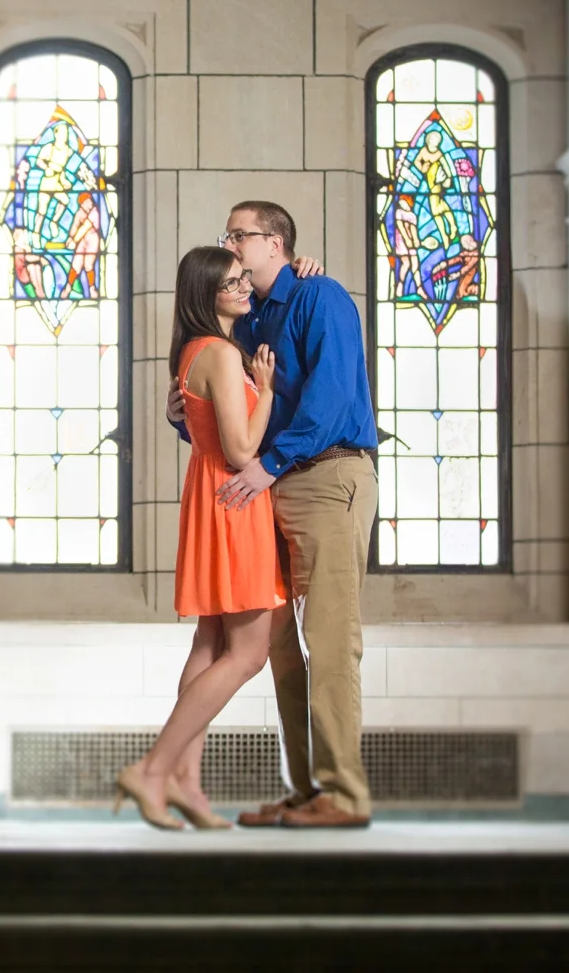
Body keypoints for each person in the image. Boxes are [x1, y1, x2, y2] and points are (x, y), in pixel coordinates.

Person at [168, 202, 380, 828]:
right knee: (279, 648)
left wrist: (270, 463)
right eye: (227, 235)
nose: (231, 244)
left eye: (241, 234)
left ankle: (344, 795)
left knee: (330, 639)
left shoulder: (320, 297)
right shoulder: (247, 317)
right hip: (268, 487)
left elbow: (330, 395)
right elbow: (234, 418)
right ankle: (307, 790)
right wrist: (185, 417)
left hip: (325, 477)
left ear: (276, 243)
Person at [113, 245, 283, 830]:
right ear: (205, 296)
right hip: (235, 501)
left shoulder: (192, 351)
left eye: (243, 278)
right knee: (249, 653)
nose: (243, 288)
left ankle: (185, 781)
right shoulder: (221, 354)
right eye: (230, 284)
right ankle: (154, 769)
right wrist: (267, 390)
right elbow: (241, 450)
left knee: (210, 644)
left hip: (209, 497)